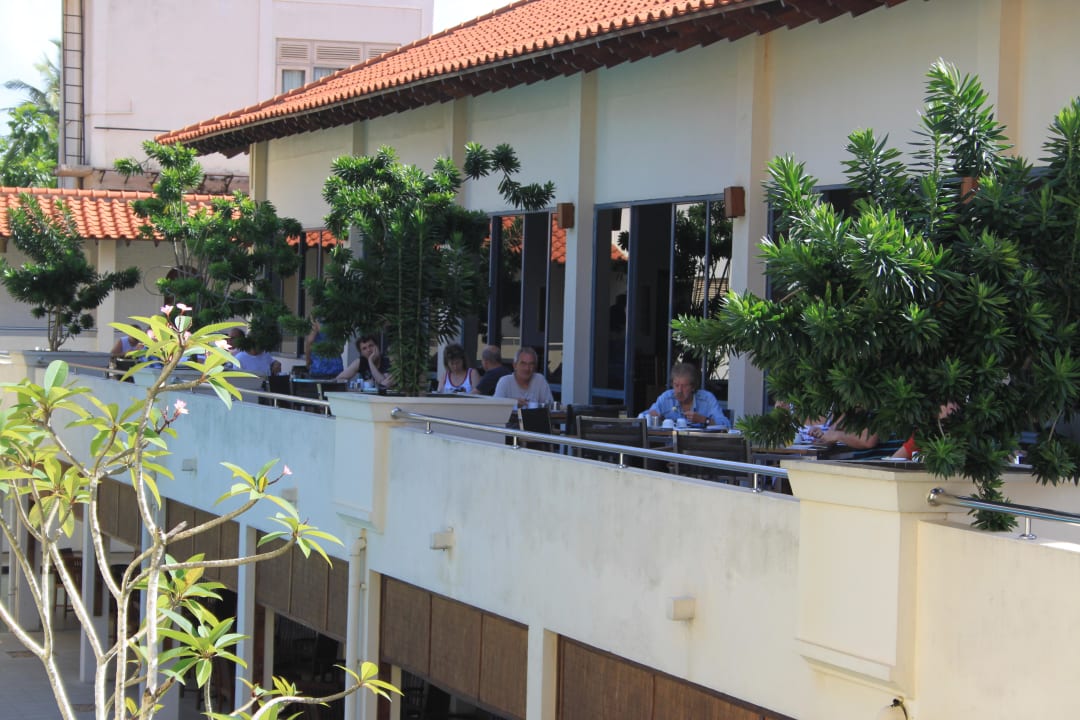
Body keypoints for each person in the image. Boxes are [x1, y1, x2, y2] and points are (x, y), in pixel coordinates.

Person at [640, 362, 730, 428]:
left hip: (700, 445)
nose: (679, 390)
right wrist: (650, 417)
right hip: (672, 446)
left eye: (684, 386)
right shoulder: (667, 398)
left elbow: (726, 424)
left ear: (693, 387)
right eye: (676, 385)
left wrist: (704, 420)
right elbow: (640, 419)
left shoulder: (707, 399)